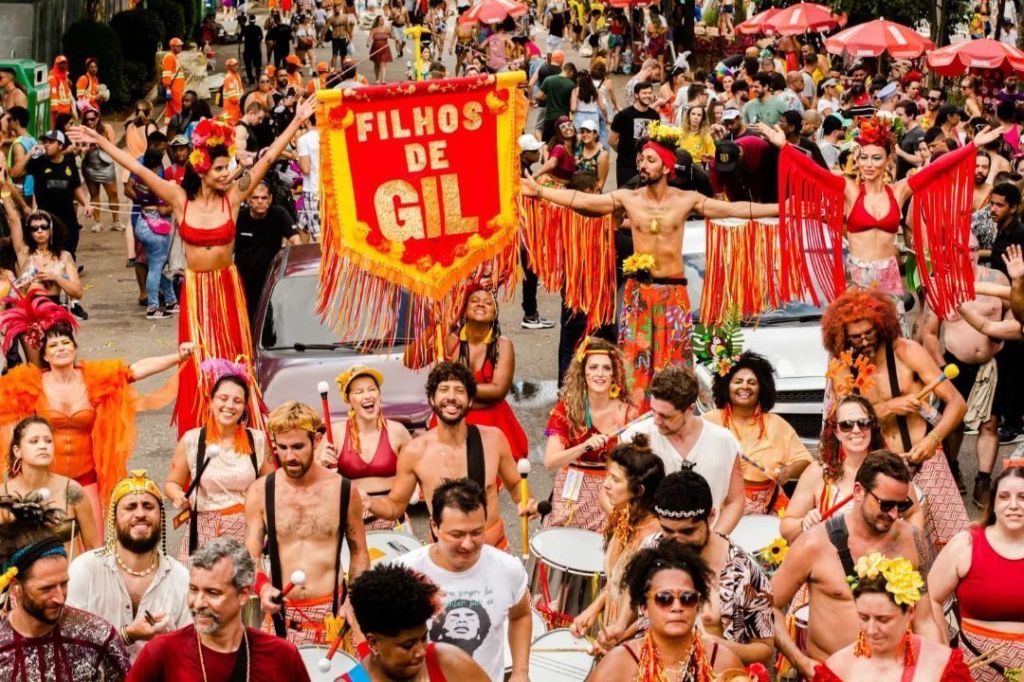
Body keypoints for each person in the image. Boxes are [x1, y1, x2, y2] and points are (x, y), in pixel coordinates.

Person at [68, 96, 316, 438]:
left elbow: (269, 156)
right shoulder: (178, 197)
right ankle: (202, 429)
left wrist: (297, 119)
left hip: (228, 286)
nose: (227, 173)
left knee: (234, 357)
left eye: (227, 167)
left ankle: (241, 427)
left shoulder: (234, 196)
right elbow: (138, 169)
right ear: (202, 169)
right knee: (199, 359)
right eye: (219, 168)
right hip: (197, 289)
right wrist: (102, 141)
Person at [522, 131, 779, 401]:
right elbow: (585, 202)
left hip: (673, 296)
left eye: (651, 160)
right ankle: (636, 430)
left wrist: (779, 209)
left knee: (676, 371)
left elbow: (734, 210)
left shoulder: (686, 199)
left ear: (667, 167)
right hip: (639, 295)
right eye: (641, 159)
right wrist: (540, 192)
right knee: (634, 370)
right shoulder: (628, 198)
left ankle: (675, 427)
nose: (643, 164)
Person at [759, 116, 1007, 325]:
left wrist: (972, 146)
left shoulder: (899, 192)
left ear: (888, 160)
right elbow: (815, 172)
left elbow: (937, 168)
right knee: (856, 344)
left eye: (876, 158)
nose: (869, 164)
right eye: (864, 158)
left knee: (892, 343)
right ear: (857, 160)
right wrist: (784, 147)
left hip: (888, 276)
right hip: (857, 277)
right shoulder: (849, 190)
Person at [0, 320, 192, 533]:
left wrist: (179, 356)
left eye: (66, 342)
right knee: (49, 550)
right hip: (46, 481)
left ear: (74, 348)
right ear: (45, 355)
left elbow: (136, 371)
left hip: (86, 479)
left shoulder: (93, 377)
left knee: (94, 546)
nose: (61, 348)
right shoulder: (31, 383)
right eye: (53, 345)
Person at [772, 451, 942, 679]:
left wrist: (938, 668)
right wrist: (801, 661)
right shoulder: (813, 544)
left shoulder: (912, 540)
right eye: (886, 504)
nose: (893, 515)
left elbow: (924, 619)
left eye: (900, 506)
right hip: (833, 674)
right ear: (859, 492)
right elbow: (768, 607)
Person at [822, 289, 969, 548]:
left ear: (882, 325)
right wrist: (890, 406)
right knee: (887, 546)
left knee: (955, 542)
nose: (865, 341)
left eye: (870, 333)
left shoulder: (906, 351)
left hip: (925, 458)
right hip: (879, 469)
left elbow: (957, 404)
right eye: (856, 337)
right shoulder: (841, 366)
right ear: (842, 337)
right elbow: (843, 420)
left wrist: (933, 439)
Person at [363, 362, 535, 549]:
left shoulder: (493, 439)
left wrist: (527, 501)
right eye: (444, 389)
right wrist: (369, 502)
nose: (451, 397)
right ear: (431, 399)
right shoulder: (415, 452)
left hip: (493, 551)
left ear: (470, 401)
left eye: (459, 391)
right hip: (443, 557)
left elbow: (517, 484)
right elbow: (395, 505)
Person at [245, 401, 370, 645]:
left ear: (317, 440)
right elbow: (251, 553)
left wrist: (353, 599)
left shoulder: (344, 491)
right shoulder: (260, 491)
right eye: (282, 447)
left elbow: (360, 553)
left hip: (333, 615)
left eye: (298, 446)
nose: (289, 456)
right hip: (281, 614)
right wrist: (262, 588)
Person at [397, 478, 532, 682]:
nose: (468, 544)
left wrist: (520, 671)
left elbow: (521, 615)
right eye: (457, 534)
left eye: (477, 532)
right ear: (434, 526)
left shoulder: (508, 569)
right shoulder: (405, 573)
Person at [127, 537, 311, 681]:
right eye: (193, 590)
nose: (198, 603)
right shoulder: (160, 654)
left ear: (243, 594)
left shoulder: (282, 656)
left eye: (213, 592)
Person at [640, 470, 775, 664]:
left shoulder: (743, 570)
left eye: (688, 531)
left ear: (711, 516)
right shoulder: (650, 549)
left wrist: (719, 647)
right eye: (668, 531)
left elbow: (764, 649)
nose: (677, 541)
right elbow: (634, 619)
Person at [0, 491, 131, 680]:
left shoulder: (98, 637)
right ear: (15, 586)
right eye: (46, 588)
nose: (60, 597)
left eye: (64, 583)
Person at [922, 231, 1011, 503]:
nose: (968, 253)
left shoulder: (997, 279)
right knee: (954, 422)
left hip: (991, 365)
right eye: (960, 249)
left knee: (990, 423)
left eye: (973, 248)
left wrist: (1002, 339)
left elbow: (1014, 312)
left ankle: (983, 480)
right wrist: (940, 366)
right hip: (954, 364)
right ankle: (953, 466)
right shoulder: (940, 285)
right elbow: (928, 332)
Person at [67, 471, 191, 661]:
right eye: (131, 507)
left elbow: (190, 651)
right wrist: (127, 635)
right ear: (114, 519)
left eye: (148, 506)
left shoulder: (181, 577)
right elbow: (71, 642)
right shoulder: (85, 569)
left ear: (161, 517)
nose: (140, 514)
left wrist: (171, 639)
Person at [166, 363, 274, 561]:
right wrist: (179, 496)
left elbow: (271, 485)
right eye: (223, 399)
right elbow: (172, 483)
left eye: (237, 401)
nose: (229, 406)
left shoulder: (257, 440)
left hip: (247, 530)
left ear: (244, 406)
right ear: (211, 402)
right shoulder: (192, 440)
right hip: (204, 530)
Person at [620, 365, 746, 533]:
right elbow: (611, 496)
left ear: (690, 409)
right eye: (653, 411)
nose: (656, 420)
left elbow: (735, 501)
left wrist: (715, 539)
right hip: (649, 548)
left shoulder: (724, 441)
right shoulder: (635, 437)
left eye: (665, 416)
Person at [927, 463, 1024, 679]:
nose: (1014, 505)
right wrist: (944, 655)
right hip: (975, 669)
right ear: (993, 503)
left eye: (1023, 497)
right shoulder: (966, 544)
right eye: (1005, 497)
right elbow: (931, 598)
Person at [590, 541, 743, 678]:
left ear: (698, 604)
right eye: (664, 598)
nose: (677, 607)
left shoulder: (723, 662)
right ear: (644, 607)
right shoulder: (619, 664)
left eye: (687, 598)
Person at [813, 553, 972, 682]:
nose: (871, 629)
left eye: (883, 619)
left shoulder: (940, 664)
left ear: (910, 612)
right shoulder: (838, 670)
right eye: (864, 617)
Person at [570, 437, 665, 652]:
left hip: (637, 642)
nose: (605, 484)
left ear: (639, 490)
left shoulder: (653, 539)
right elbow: (617, 581)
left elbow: (651, 609)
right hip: (613, 631)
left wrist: (619, 638)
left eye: (615, 479)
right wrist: (593, 609)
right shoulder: (625, 517)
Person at [544, 337, 637, 531]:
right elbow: (551, 461)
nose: (600, 374)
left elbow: (636, 467)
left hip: (611, 489)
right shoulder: (567, 409)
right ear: (583, 372)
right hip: (572, 488)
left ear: (615, 374)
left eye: (606, 368)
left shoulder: (629, 414)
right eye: (593, 367)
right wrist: (584, 446)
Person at [703, 351, 813, 514]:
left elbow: (805, 460)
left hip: (767, 507)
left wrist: (788, 471)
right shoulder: (708, 421)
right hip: (717, 508)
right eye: (738, 381)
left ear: (761, 388)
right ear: (726, 385)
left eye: (752, 382)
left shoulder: (776, 424)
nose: (745, 386)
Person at [341, 563, 489, 681]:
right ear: (373, 643)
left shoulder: (450, 662)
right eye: (408, 645)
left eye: (424, 638)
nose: (421, 651)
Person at [317, 365, 413, 531]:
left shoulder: (397, 431)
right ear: (348, 400)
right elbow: (309, 478)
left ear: (379, 395)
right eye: (359, 392)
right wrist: (321, 463)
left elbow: (418, 468)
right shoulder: (336, 433)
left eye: (372, 389)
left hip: (391, 513)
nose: (367, 395)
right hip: (350, 515)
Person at [782, 395, 889, 542]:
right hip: (831, 561)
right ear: (836, 432)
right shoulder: (818, 472)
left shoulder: (889, 468)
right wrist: (804, 523)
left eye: (863, 423)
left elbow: (914, 512)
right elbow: (786, 528)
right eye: (846, 425)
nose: (856, 430)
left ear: (872, 427)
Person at [3, 416, 100, 553]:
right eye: (34, 441)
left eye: (48, 441)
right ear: (17, 451)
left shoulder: (72, 490)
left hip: (70, 574)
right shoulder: (4, 495)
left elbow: (93, 548)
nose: (43, 446)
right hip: (21, 574)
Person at [2, 204, 84, 349]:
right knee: (35, 368)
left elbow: (77, 292)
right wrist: (4, 188)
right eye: (34, 228)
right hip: (30, 316)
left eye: (44, 227)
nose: (39, 231)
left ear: (51, 229)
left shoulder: (64, 257)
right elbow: (14, 219)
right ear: (30, 233)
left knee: (60, 359)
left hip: (56, 313)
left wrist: (56, 277)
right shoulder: (24, 254)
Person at [10, 130, 92, 261]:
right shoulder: (39, 162)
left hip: (68, 219)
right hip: (46, 221)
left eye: (51, 142)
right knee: (49, 256)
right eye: (45, 142)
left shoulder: (69, 163)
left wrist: (86, 204)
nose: (47, 145)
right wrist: (30, 154)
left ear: (60, 145)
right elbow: (15, 173)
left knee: (68, 254)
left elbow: (75, 187)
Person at [233, 181, 302, 320]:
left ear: (270, 199)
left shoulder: (279, 214)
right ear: (248, 200)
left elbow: (296, 241)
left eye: (264, 198)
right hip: (243, 282)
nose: (260, 202)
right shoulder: (239, 217)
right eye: (255, 198)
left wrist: (293, 271)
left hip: (270, 281)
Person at [79, 107, 124, 234]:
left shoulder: (106, 128)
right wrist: (86, 149)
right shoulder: (83, 131)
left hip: (106, 164)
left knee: (113, 193)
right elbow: (79, 152)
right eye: (87, 120)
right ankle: (97, 222)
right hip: (90, 165)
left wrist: (99, 142)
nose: (90, 122)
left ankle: (116, 221)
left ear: (98, 118)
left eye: (93, 119)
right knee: (94, 194)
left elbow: (113, 146)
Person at [608, 81, 660, 187]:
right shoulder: (623, 115)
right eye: (644, 93)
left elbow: (655, 139)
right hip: (626, 166)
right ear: (636, 95)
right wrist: (623, 153)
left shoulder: (654, 115)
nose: (648, 96)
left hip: (647, 164)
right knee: (625, 195)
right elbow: (611, 140)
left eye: (649, 93)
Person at [295, 115, 321, 239]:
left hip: (313, 191)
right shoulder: (329, 136)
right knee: (302, 225)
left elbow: (305, 169)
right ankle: (299, 255)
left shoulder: (304, 140)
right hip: (323, 188)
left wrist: (296, 158)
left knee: (318, 235)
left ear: (306, 120)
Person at [533, 116, 577, 186]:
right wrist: (534, 176)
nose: (567, 128)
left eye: (569, 125)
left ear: (574, 130)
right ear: (560, 133)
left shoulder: (576, 149)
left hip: (566, 187)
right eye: (563, 127)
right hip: (552, 185)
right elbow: (551, 163)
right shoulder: (559, 148)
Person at [161, 38, 187, 126]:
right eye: (178, 46)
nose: (180, 48)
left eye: (181, 46)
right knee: (181, 111)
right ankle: (182, 129)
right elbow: (166, 75)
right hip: (175, 91)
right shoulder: (170, 57)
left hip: (175, 90)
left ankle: (167, 130)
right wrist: (168, 90)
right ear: (172, 46)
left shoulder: (173, 57)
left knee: (170, 114)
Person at [47, 56, 74, 129]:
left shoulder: (64, 76)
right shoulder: (53, 77)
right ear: (56, 64)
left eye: (65, 63)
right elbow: (53, 94)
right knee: (57, 130)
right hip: (58, 112)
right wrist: (56, 110)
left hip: (66, 110)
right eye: (61, 63)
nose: (64, 65)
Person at [368, 16, 393, 84]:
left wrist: (394, 37)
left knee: (383, 64)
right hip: (375, 49)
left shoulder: (386, 29)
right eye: (381, 20)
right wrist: (368, 42)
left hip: (384, 49)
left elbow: (391, 35)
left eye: (383, 20)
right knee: (376, 65)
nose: (382, 21)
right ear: (378, 21)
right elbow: (370, 37)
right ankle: (377, 79)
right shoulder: (374, 29)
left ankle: (383, 79)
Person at [242, 13, 265, 84]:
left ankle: (251, 80)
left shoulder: (245, 28)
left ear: (248, 21)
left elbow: (240, 38)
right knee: (258, 66)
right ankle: (258, 78)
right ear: (255, 21)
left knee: (248, 66)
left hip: (247, 50)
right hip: (256, 50)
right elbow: (261, 37)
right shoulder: (258, 28)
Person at [222, 59, 244, 125]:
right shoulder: (228, 78)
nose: (236, 67)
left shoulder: (237, 75)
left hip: (237, 107)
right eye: (234, 65)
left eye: (237, 65)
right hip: (231, 108)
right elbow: (233, 97)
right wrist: (241, 101)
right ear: (229, 67)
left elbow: (240, 89)